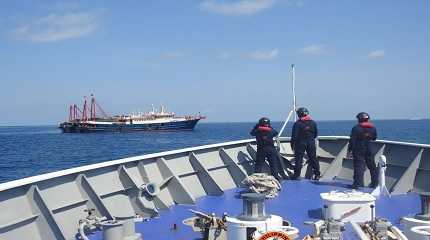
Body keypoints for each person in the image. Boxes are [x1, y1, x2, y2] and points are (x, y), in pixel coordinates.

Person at [347, 112, 378, 189]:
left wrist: (350, 150)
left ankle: (358, 184)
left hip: (359, 149)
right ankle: (375, 184)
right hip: (369, 148)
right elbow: (374, 138)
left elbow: (352, 141)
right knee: (372, 166)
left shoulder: (356, 128)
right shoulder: (373, 128)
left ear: (359, 119)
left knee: (359, 167)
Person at [291, 107, 320, 180]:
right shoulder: (313, 123)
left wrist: (292, 145)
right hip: (311, 142)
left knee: (299, 159)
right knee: (313, 158)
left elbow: (294, 136)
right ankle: (317, 174)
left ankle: (296, 175)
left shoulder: (297, 124)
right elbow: (315, 134)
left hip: (300, 143)